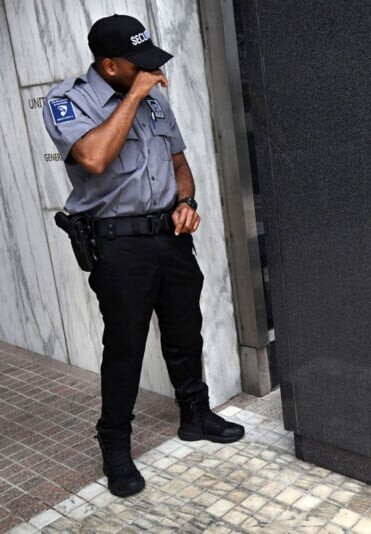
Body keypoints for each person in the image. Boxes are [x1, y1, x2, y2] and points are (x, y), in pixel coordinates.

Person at [42, 14, 244, 498]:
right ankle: (115, 444)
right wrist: (133, 96)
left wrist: (186, 202)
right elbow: (93, 158)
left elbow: (179, 163)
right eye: (139, 64)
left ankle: (195, 414)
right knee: (125, 345)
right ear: (109, 65)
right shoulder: (68, 101)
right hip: (118, 245)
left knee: (185, 330)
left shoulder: (154, 99)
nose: (152, 72)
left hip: (168, 236)